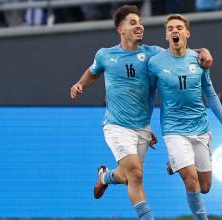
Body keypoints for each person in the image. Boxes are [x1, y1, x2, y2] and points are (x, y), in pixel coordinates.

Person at [70, 5, 213, 220]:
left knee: (128, 176)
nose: (140, 26)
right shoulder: (105, 55)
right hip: (116, 126)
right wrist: (79, 84)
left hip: (143, 128)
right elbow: (93, 73)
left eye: (140, 22)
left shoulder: (152, 54)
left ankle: (105, 177)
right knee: (135, 173)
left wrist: (204, 52)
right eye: (133, 23)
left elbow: (182, 51)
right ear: (120, 29)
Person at [148, 14, 222, 220]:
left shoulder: (200, 60)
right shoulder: (155, 63)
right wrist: (145, 125)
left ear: (187, 33)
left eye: (179, 27)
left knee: (204, 187)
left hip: (200, 128)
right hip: (173, 129)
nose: (175, 31)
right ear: (166, 35)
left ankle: (174, 162)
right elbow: (150, 95)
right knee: (191, 181)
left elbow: (211, 94)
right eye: (170, 28)